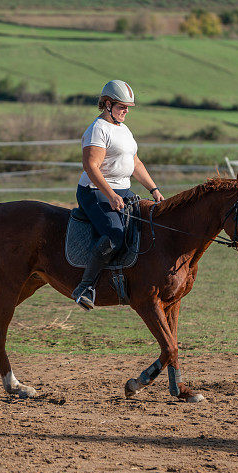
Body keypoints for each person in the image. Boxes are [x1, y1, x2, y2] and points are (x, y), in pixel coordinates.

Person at [71, 79, 164, 310]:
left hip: (122, 189)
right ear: (108, 104)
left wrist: (154, 190)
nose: (125, 112)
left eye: (127, 108)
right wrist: (111, 195)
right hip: (95, 192)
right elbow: (91, 167)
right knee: (115, 235)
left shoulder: (123, 129)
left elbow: (135, 162)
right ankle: (85, 287)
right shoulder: (98, 129)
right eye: (122, 107)